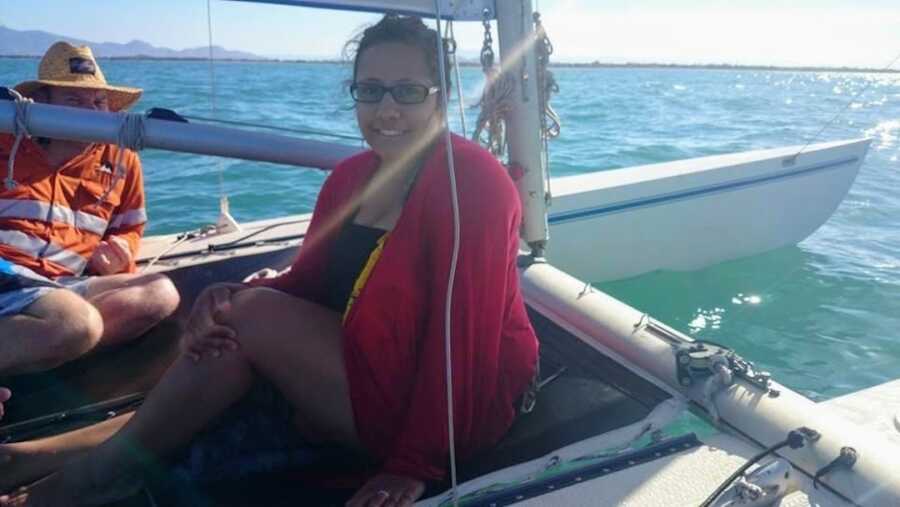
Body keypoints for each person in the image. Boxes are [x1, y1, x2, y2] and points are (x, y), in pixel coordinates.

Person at [0, 16, 539, 507]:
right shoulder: (351, 177)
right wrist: (229, 296)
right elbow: (312, 283)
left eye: (409, 91)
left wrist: (416, 466)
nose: (387, 109)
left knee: (252, 317)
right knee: (233, 327)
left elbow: (462, 339)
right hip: (366, 364)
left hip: (448, 411)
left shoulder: (472, 183)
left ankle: (94, 478)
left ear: (441, 97)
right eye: (370, 91)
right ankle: (32, 458)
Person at [0, 41, 180, 376]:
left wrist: (122, 248)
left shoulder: (122, 159)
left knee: (160, 294)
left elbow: (129, 226)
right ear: (41, 102)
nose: (91, 113)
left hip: (59, 285)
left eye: (98, 101)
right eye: (74, 100)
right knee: (77, 323)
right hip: (6, 274)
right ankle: (48, 340)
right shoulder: (5, 139)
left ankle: (33, 348)